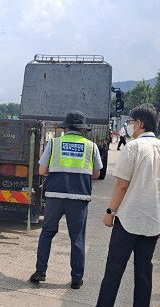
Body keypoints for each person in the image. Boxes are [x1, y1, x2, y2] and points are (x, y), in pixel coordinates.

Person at [70, 103, 160, 307]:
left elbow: (121, 184)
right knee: (144, 270)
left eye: (130, 122)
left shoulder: (134, 147)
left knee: (114, 268)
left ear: (139, 123)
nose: (129, 126)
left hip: (129, 219)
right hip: (153, 220)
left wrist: (110, 211)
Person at [29, 111, 103, 289]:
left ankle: (40, 271)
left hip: (55, 196)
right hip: (79, 198)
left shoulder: (54, 143)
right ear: (82, 129)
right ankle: (76, 279)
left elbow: (42, 170)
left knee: (47, 233)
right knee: (77, 238)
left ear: (66, 127)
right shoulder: (91, 146)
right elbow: (97, 174)